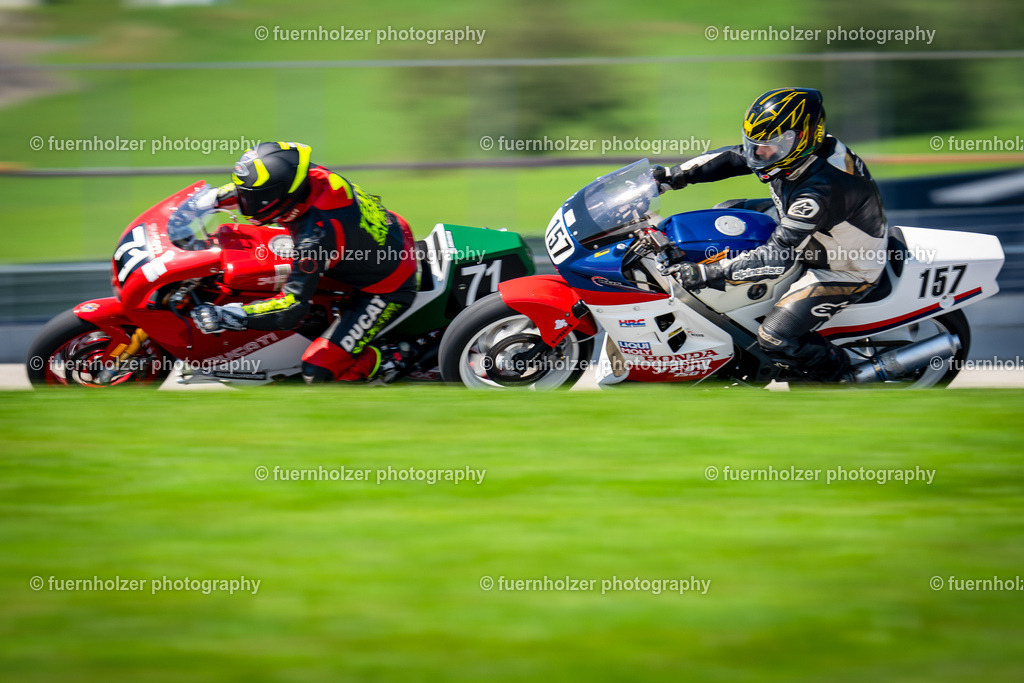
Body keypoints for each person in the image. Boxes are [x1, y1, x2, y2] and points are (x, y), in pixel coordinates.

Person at [653, 87, 888, 382]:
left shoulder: (820, 190)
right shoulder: (795, 152)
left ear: (801, 138)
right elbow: (734, 157)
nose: (758, 153)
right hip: (811, 232)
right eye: (755, 144)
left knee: (775, 337)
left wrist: (707, 273)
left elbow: (777, 257)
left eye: (768, 146)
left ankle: (843, 379)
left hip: (844, 267)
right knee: (724, 213)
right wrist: (670, 176)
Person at [167, 141, 417, 383]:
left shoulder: (313, 238)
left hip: (387, 286)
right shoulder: (304, 174)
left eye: (254, 198)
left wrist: (229, 316)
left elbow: (292, 308)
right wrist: (206, 202)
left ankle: (396, 356)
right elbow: (260, 187)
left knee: (317, 370)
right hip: (381, 234)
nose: (245, 203)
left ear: (280, 195)